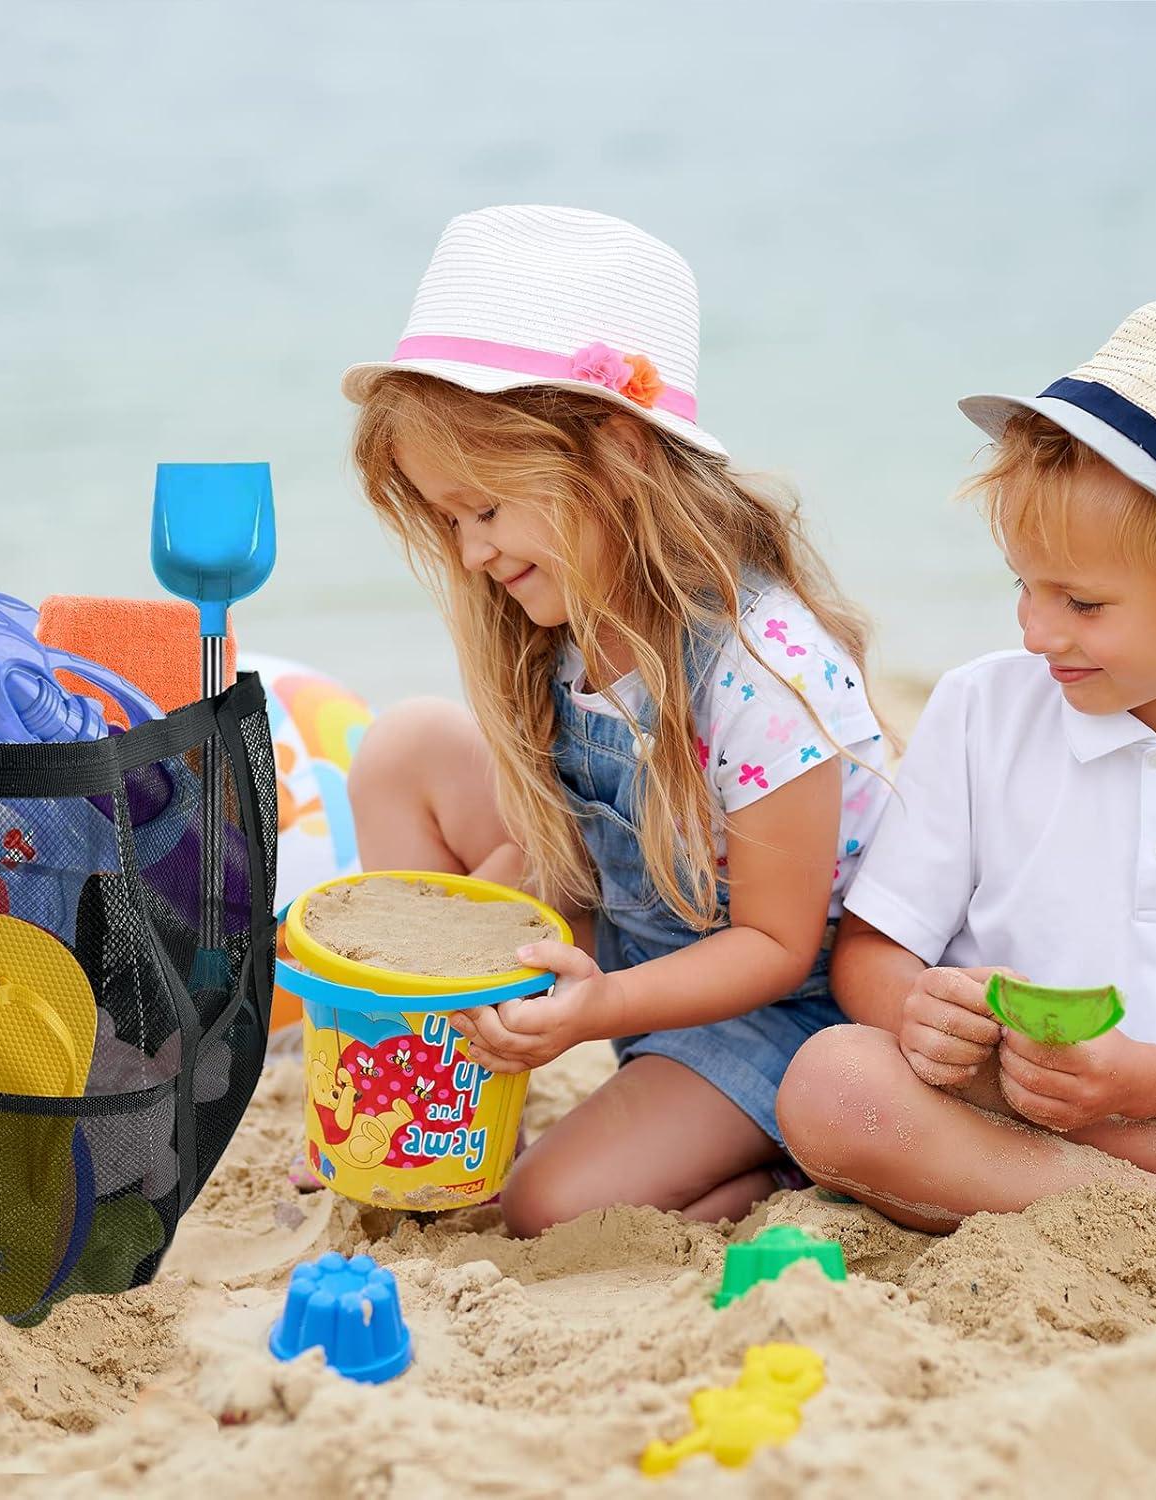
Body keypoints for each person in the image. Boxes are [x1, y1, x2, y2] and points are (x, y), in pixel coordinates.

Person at [340, 205, 888, 1234]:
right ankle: (426, 1091)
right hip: (631, 934)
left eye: (488, 510)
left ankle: (775, 1162)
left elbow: (774, 942)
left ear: (619, 456)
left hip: (766, 1008)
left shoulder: (764, 671)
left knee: (552, 1205)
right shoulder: (559, 621)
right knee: (405, 747)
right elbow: (573, 850)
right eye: (450, 520)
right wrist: (437, 956)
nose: (470, 554)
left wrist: (597, 1010)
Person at [777, 302, 1156, 1231]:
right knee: (832, 1083)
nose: (1036, 631)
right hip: (1001, 1096)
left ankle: (1088, 1188)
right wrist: (918, 1013)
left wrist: (1147, 1082)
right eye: (1023, 586)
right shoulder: (986, 709)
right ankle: (1131, 1204)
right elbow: (870, 952)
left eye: (1082, 602)